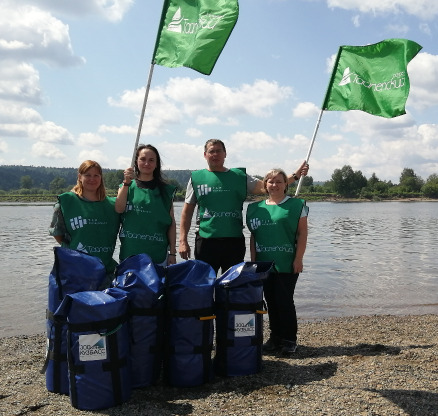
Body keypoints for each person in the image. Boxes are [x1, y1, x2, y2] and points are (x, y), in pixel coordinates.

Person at [178, 138, 308, 274]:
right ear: (205, 155)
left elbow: (267, 186)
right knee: (204, 286)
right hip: (206, 241)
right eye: (211, 151)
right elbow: (187, 213)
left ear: (225, 154)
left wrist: (295, 176)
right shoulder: (196, 178)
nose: (215, 154)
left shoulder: (239, 176)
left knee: (232, 288)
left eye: (219, 151)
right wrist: (182, 241)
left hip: (234, 242)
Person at [246, 168, 308, 354]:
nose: (274, 184)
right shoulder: (255, 208)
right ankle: (275, 338)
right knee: (270, 302)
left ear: (286, 184)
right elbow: (253, 237)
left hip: (286, 262)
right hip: (264, 264)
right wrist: (254, 263)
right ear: (265, 185)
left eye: (279, 181)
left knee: (284, 301)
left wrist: (298, 259)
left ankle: (289, 339)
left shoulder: (296, 206)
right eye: (271, 181)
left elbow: (302, 234)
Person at [49, 160, 120, 282]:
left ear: (101, 178)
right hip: (75, 270)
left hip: (106, 271)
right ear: (79, 177)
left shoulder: (113, 205)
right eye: (87, 175)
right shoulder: (66, 202)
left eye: (96, 175)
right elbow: (57, 234)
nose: (92, 179)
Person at [115, 144, 177, 266]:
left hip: (157, 256)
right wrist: (126, 183)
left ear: (156, 163)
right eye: (143, 159)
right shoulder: (126, 187)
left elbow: (172, 223)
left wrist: (173, 253)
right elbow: (119, 208)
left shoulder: (166, 191)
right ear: (136, 162)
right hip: (130, 254)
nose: (147, 163)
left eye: (151, 160)